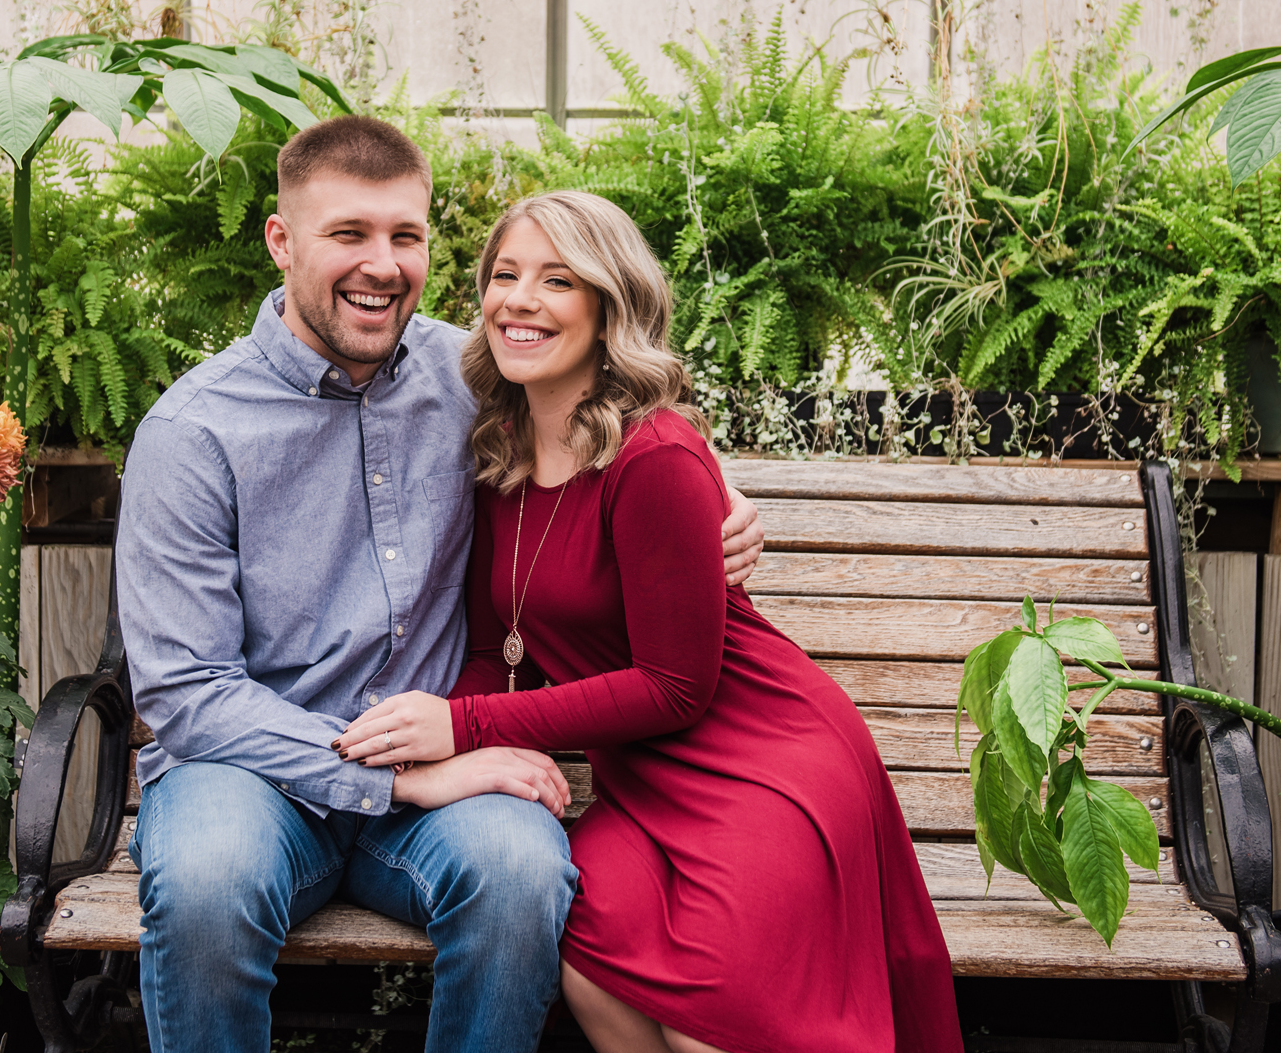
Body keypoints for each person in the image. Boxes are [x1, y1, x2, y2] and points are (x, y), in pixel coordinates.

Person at [115, 119, 765, 1053]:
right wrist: (404, 776)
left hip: (445, 761)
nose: (381, 264)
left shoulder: (473, 374)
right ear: (280, 240)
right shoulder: (195, 431)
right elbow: (186, 693)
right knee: (209, 883)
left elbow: (618, 418)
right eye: (349, 234)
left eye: (405, 237)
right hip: (250, 773)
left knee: (519, 871)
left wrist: (725, 499)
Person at [337, 190, 965, 1053]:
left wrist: (462, 722)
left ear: (608, 306)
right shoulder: (499, 451)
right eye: (504, 275)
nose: (520, 299)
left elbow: (677, 685)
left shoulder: (656, 452)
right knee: (591, 960)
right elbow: (498, 648)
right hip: (642, 784)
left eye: (557, 280)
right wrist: (439, 740)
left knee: (712, 1015)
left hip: (763, 757)